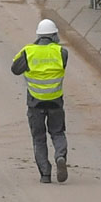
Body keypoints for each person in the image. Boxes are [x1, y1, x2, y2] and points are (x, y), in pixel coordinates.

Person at [11, 18, 69, 183]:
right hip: (56, 102)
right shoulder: (61, 52)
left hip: (35, 103)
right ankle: (60, 155)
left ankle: (45, 174)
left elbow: (15, 69)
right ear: (54, 35)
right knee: (57, 133)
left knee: (38, 138)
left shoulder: (28, 52)